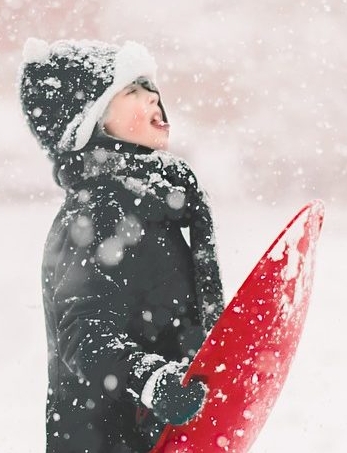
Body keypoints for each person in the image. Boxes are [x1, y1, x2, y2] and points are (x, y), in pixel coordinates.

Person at [18, 37, 225, 453]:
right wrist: (151, 380)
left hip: (151, 437)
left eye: (151, 87)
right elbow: (84, 335)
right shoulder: (99, 212)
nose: (153, 98)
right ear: (90, 123)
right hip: (108, 441)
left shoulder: (148, 206)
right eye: (132, 90)